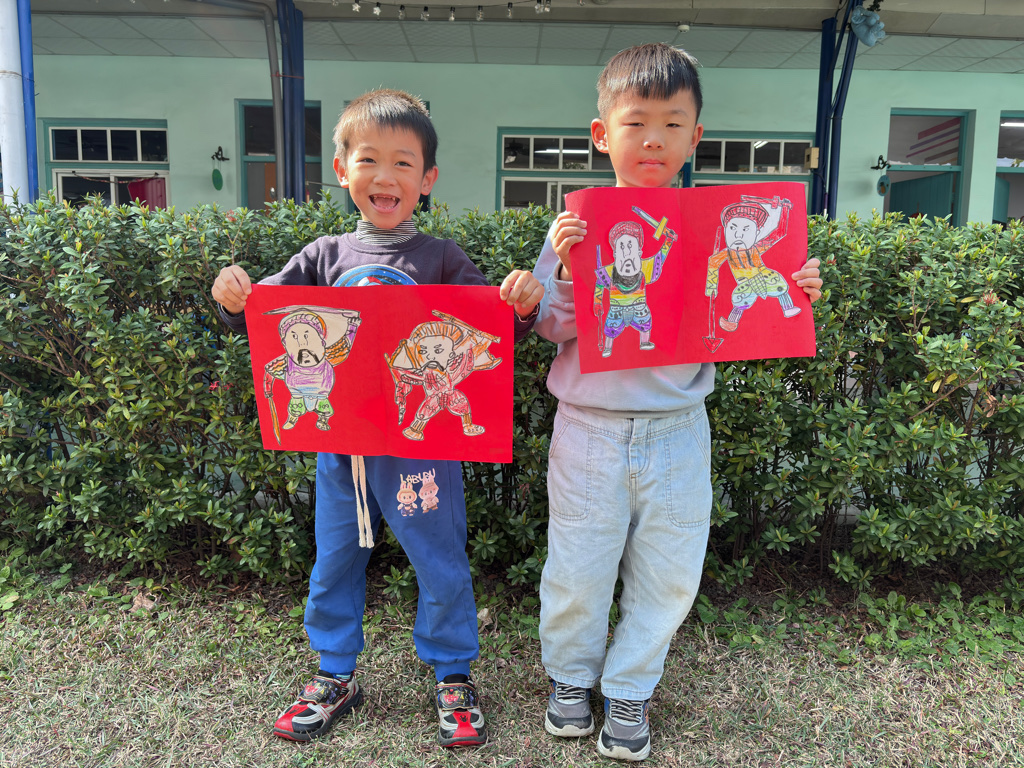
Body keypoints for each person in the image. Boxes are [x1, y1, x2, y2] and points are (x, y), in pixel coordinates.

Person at [211, 88, 543, 749]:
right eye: (368, 160)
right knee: (335, 558)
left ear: (428, 179)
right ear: (342, 170)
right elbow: (266, 316)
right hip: (343, 452)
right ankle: (335, 672)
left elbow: (491, 332)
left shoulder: (442, 258)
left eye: (403, 163)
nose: (384, 176)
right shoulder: (323, 256)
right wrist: (233, 298)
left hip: (423, 452)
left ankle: (453, 674)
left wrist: (523, 306)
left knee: (439, 559)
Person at [532, 44, 823, 762]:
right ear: (602, 135)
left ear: (696, 137)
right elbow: (552, 329)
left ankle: (629, 688)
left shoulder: (709, 227)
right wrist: (563, 270)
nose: (653, 139)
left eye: (672, 123)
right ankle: (571, 679)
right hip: (589, 429)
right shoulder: (576, 226)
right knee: (577, 565)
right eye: (635, 122)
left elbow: (740, 308)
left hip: (677, 430)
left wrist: (793, 285)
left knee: (669, 573)